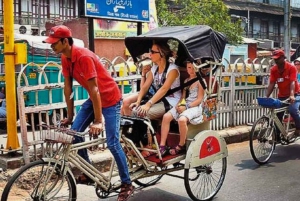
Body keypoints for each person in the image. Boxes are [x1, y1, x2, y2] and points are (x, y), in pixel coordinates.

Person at [43, 25, 134, 201]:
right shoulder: (65, 57)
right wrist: (69, 116)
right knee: (75, 134)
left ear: (65, 41)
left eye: (54, 43)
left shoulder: (83, 56)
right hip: (95, 100)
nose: (51, 46)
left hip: (110, 98)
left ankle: (126, 183)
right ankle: (89, 172)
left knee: (112, 142)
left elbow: (95, 89)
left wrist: (98, 121)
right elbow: (67, 88)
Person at [159, 59, 205, 156]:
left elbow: (199, 99)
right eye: (189, 68)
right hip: (185, 104)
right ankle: (162, 145)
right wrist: (180, 104)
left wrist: (186, 106)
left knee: (182, 119)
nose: (191, 70)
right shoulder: (186, 81)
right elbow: (183, 97)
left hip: (195, 106)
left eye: (193, 68)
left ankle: (181, 143)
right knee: (166, 117)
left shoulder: (201, 81)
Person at [129, 40, 181, 120]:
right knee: (134, 109)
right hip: (158, 99)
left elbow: (164, 89)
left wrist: (148, 104)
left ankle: (148, 132)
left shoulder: (172, 69)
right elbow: (145, 87)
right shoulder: (155, 68)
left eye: (153, 52)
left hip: (170, 101)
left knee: (139, 112)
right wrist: (138, 101)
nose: (150, 54)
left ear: (162, 54)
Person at [266, 49, 300, 138]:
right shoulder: (274, 69)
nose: (275, 60)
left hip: (295, 94)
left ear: (283, 58)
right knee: (277, 114)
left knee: (293, 110)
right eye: (274, 59)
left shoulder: (291, 68)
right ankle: (277, 135)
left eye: (277, 58)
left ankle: (298, 128)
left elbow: (293, 82)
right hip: (282, 96)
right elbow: (272, 84)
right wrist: (266, 97)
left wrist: (292, 95)